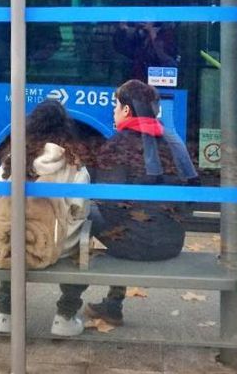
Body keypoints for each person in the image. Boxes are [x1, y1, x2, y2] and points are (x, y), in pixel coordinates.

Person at [84, 79, 197, 327]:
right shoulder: (174, 142)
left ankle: (69, 303)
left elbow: (109, 207)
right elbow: (190, 199)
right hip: (172, 241)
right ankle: (112, 304)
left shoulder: (116, 146)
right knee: (133, 220)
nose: (113, 112)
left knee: (83, 211)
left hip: (135, 245)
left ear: (126, 110)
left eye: (115, 106)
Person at [0, 100, 91, 336]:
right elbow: (79, 212)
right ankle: (65, 317)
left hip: (13, 246)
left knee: (12, 239)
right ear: (66, 129)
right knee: (84, 246)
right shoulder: (74, 164)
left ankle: (6, 315)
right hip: (58, 248)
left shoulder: (12, 160)